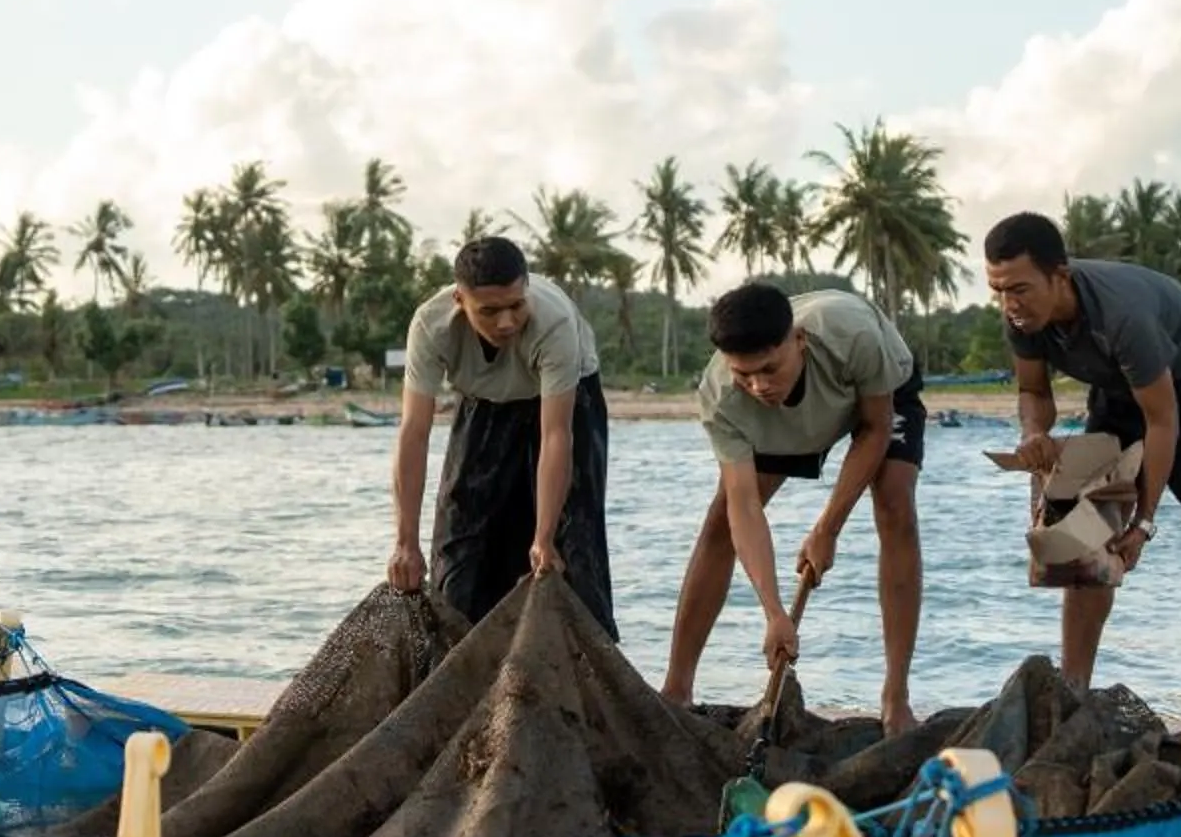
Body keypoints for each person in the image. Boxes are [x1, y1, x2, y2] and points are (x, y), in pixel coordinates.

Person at [981, 210, 1181, 751]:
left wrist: (1143, 524)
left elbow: (1163, 421)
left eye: (1019, 289)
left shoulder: (1123, 316)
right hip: (1117, 389)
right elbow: (1034, 393)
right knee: (1085, 538)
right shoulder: (1020, 319)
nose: (1009, 304)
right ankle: (1072, 697)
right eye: (998, 290)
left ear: (1060, 277)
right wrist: (1034, 433)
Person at [660, 280, 926, 733]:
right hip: (793, 421)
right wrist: (775, 613)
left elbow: (874, 429)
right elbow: (744, 508)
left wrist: (827, 529)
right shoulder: (723, 397)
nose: (759, 386)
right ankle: (676, 688)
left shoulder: (854, 335)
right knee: (720, 521)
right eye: (744, 374)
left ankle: (895, 698)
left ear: (799, 340)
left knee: (895, 504)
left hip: (874, 392)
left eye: (769, 368)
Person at [384, 236, 615, 635]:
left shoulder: (555, 322)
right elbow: (414, 433)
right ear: (460, 300)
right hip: (483, 401)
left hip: (566, 403)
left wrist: (544, 538)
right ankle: (465, 658)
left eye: (516, 306)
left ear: (526, 289)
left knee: (570, 545)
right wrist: (405, 542)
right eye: (489, 311)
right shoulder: (430, 325)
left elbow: (556, 435)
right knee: (462, 543)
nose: (506, 322)